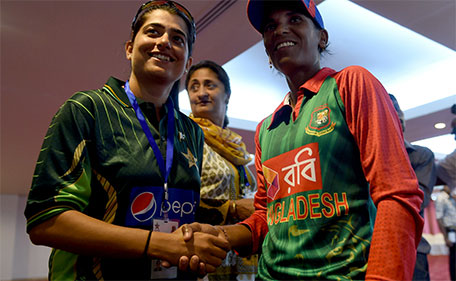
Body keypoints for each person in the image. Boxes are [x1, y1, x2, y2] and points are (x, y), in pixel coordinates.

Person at [180, 0, 425, 279]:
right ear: (267, 49)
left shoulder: (350, 86)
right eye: (270, 26)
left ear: (322, 37)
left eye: (295, 19)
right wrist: (220, 234)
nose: (280, 30)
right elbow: (268, 216)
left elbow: (397, 195)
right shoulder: (266, 129)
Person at [23, 1, 229, 280]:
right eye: (153, 32)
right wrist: (159, 244)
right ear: (130, 48)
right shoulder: (87, 109)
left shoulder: (191, 131)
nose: (165, 42)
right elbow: (45, 220)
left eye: (177, 38)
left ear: (187, 62)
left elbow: (181, 207)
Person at [185, 60, 258, 280]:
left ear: (227, 95)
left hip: (239, 255)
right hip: (202, 253)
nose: (201, 93)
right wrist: (233, 208)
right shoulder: (186, 139)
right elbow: (176, 200)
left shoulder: (236, 147)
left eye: (210, 85)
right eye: (194, 87)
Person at [390, 94, 436, 281]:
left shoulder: (421, 155)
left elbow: (419, 199)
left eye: (400, 111)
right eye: (392, 112)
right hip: (370, 246)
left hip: (413, 248)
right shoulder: (364, 157)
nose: (399, 117)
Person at [435, 185, 456, 281]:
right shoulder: (441, 197)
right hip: (451, 231)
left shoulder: (453, 196)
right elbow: (439, 218)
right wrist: (445, 237)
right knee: (454, 258)